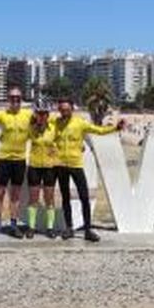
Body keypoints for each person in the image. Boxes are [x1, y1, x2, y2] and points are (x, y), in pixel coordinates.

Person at [51, 97, 125, 242]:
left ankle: (87, 230)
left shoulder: (80, 123)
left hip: (76, 165)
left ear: (72, 109)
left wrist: (115, 128)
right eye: (62, 110)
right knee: (65, 197)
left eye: (67, 109)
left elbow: (99, 130)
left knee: (84, 197)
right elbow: (42, 126)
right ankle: (69, 228)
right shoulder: (55, 122)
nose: (64, 112)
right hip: (60, 165)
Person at [0, 87, 31, 239]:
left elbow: (44, 120)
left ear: (21, 100)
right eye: (12, 98)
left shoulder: (27, 114)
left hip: (19, 160)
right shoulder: (3, 114)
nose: (15, 101)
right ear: (8, 100)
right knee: (0, 193)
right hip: (4, 159)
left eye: (18, 98)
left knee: (15, 195)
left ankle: (13, 225)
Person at [24, 97, 58, 239]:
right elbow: (18, 138)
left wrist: (81, 146)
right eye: (39, 113)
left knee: (49, 198)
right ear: (35, 114)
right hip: (34, 167)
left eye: (44, 113)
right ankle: (31, 227)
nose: (42, 116)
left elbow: (63, 140)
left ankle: (50, 228)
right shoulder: (30, 128)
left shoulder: (54, 128)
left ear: (48, 115)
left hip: (50, 167)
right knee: (33, 199)